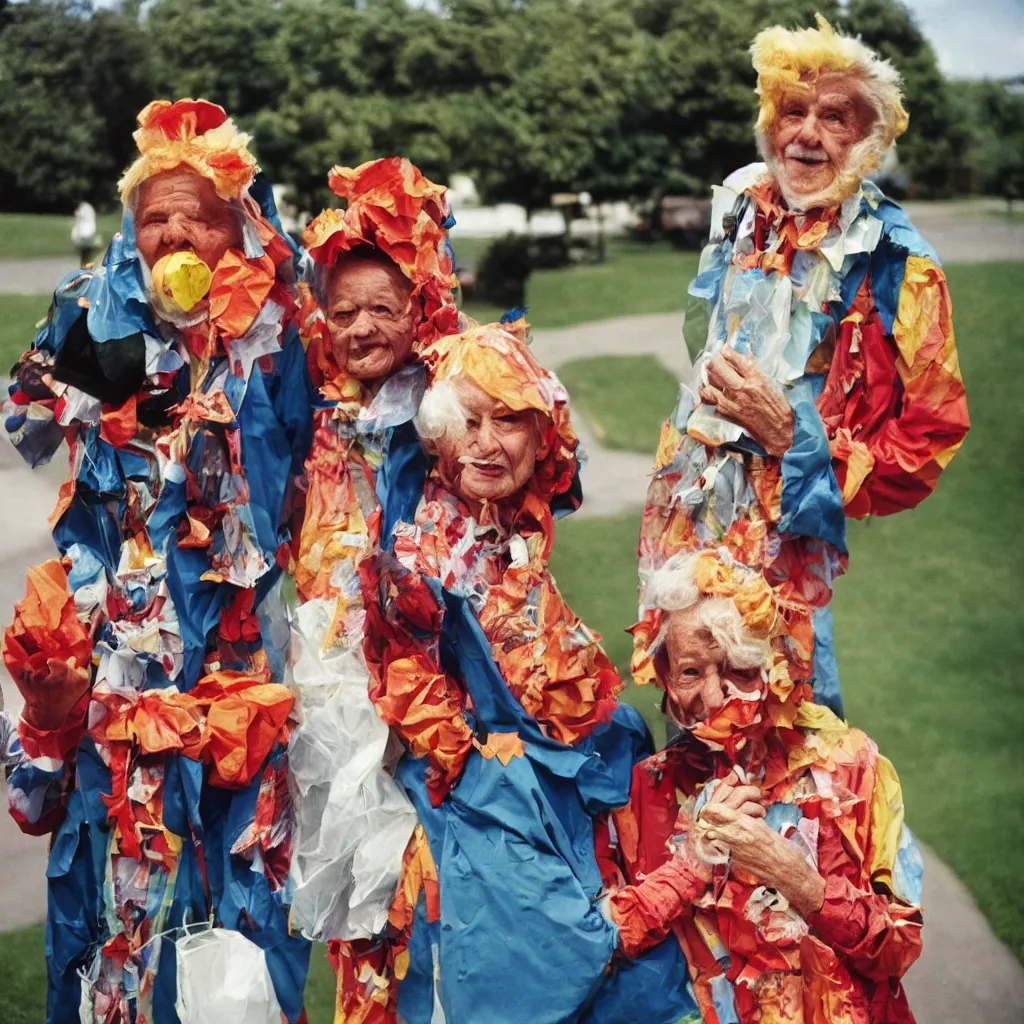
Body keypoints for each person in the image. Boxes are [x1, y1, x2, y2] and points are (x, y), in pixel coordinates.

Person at [2, 98, 313, 1023]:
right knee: (118, 902)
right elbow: (24, 425)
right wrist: (102, 348)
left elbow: (321, 447)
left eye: (199, 215)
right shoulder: (106, 327)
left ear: (238, 227)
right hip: (120, 667)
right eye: (153, 218)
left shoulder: (272, 341)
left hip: (239, 670)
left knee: (245, 895)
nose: (173, 231)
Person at [335, 318, 698, 1024]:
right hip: (489, 796)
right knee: (546, 964)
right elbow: (406, 679)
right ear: (440, 432)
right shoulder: (418, 550)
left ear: (541, 437)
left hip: (554, 777)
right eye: (469, 420)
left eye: (509, 421)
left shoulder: (510, 526)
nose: (488, 442)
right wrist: (486, 771)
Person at [635, 16, 970, 716]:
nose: (807, 134)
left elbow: (926, 443)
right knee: (691, 714)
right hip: (686, 520)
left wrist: (795, 440)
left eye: (834, 117)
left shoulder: (900, 267)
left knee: (788, 729)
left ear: (869, 138)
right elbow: (707, 335)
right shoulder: (741, 209)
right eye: (793, 110)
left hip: (786, 550)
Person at [598, 548, 923, 1023]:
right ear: (665, 677)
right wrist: (687, 869)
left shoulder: (849, 765)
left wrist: (801, 882)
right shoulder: (642, 794)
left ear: (772, 669)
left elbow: (899, 948)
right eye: (691, 672)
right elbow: (595, 951)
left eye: (739, 671)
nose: (714, 698)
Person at [286, 157, 460, 944]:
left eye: (383, 308)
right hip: (329, 689)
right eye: (344, 311)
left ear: (420, 310)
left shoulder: (453, 408)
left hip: (434, 692)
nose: (361, 328)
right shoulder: (304, 415)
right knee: (358, 917)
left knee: (429, 895)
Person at [71, 200, 100, 267]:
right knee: (85, 253)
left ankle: (85, 266)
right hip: (85, 235)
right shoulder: (86, 208)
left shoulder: (85, 208)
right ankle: (85, 266)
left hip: (85, 234)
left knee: (86, 253)